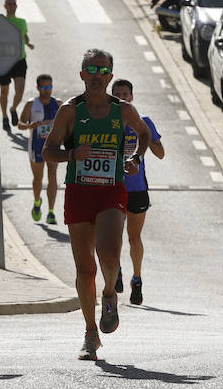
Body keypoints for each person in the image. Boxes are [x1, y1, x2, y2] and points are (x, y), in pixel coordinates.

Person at [42, 48, 151, 362]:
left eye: (103, 71)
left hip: (111, 192)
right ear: (82, 74)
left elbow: (143, 134)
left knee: (109, 252)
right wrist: (72, 155)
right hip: (79, 192)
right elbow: (48, 151)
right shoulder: (70, 111)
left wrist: (135, 158)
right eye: (92, 70)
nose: (97, 76)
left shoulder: (123, 110)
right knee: (85, 268)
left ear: (110, 76)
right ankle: (91, 334)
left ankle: (109, 293)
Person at [111, 78, 164, 306]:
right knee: (113, 236)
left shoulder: (143, 122)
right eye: (117, 94)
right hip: (112, 188)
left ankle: (137, 278)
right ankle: (117, 271)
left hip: (136, 188)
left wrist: (146, 136)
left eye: (125, 94)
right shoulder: (106, 122)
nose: (122, 98)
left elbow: (161, 154)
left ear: (132, 97)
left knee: (134, 238)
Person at [18, 73, 61, 224]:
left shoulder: (58, 104)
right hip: (36, 146)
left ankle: (51, 212)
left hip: (53, 146)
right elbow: (20, 124)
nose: (47, 90)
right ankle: (37, 202)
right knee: (38, 178)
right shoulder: (31, 104)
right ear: (37, 88)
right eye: (43, 87)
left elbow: (68, 122)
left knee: (52, 176)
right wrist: (29, 126)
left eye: (49, 87)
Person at [0, 0, 34, 133]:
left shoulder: (22, 22)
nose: (12, 6)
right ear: (5, 6)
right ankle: (4, 117)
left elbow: (24, 35)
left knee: (20, 89)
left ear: (16, 6)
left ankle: (13, 108)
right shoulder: (1, 22)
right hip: (4, 60)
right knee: (4, 91)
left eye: (14, 4)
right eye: (9, 4)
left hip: (19, 60)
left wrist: (28, 43)